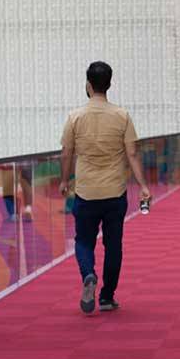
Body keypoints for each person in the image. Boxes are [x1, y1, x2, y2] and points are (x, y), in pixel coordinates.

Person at [59, 61, 151, 314]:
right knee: (113, 245)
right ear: (109, 84)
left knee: (83, 241)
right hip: (114, 191)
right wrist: (143, 185)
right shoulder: (121, 115)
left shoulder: (75, 117)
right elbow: (132, 153)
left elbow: (66, 153)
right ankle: (107, 297)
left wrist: (64, 180)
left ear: (88, 85)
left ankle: (88, 274)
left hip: (86, 191)